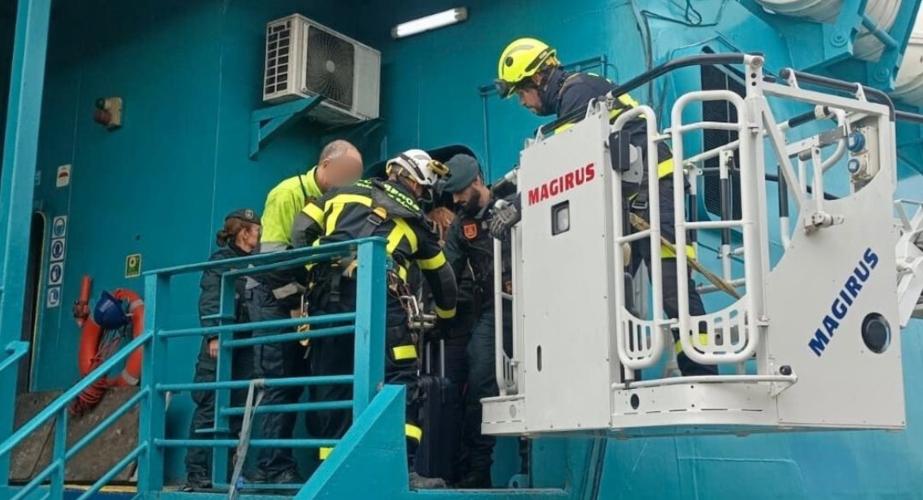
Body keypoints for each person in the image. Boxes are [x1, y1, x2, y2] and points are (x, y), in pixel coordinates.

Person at [492, 38, 716, 376]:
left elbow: (567, 164)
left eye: (521, 93)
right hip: (635, 200)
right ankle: (628, 372)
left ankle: (701, 371)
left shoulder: (577, 93)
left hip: (657, 196)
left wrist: (520, 205)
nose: (523, 102)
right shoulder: (579, 92)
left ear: (537, 78)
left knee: (673, 288)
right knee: (614, 288)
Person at [291, 149, 458, 489]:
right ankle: (402, 470)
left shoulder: (340, 193)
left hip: (326, 301)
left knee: (333, 383)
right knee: (401, 380)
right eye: (424, 190)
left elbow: (301, 229)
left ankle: (332, 473)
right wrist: (446, 318)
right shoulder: (416, 222)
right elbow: (444, 281)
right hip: (381, 300)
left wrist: (314, 268)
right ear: (415, 182)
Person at [246, 140, 363, 484]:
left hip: (302, 299)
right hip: (271, 296)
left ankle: (289, 464)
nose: (352, 180)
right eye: (348, 173)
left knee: (304, 379)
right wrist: (297, 306)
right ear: (326, 166)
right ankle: (271, 467)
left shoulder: (338, 203)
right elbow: (273, 259)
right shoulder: (286, 195)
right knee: (280, 380)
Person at [439, 154, 513, 488]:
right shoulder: (460, 225)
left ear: (477, 182)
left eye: (458, 192)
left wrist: (519, 209)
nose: (455, 200)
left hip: (538, 305)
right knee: (480, 378)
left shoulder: (511, 198)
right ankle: (477, 470)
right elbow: (448, 272)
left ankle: (531, 463)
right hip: (492, 310)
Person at [183, 209, 262, 491]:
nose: (260, 234)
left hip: (244, 346)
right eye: (257, 229)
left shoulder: (256, 263)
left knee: (239, 409)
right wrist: (214, 334)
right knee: (210, 406)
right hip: (220, 347)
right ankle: (198, 473)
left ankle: (230, 472)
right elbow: (211, 298)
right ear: (244, 231)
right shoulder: (221, 263)